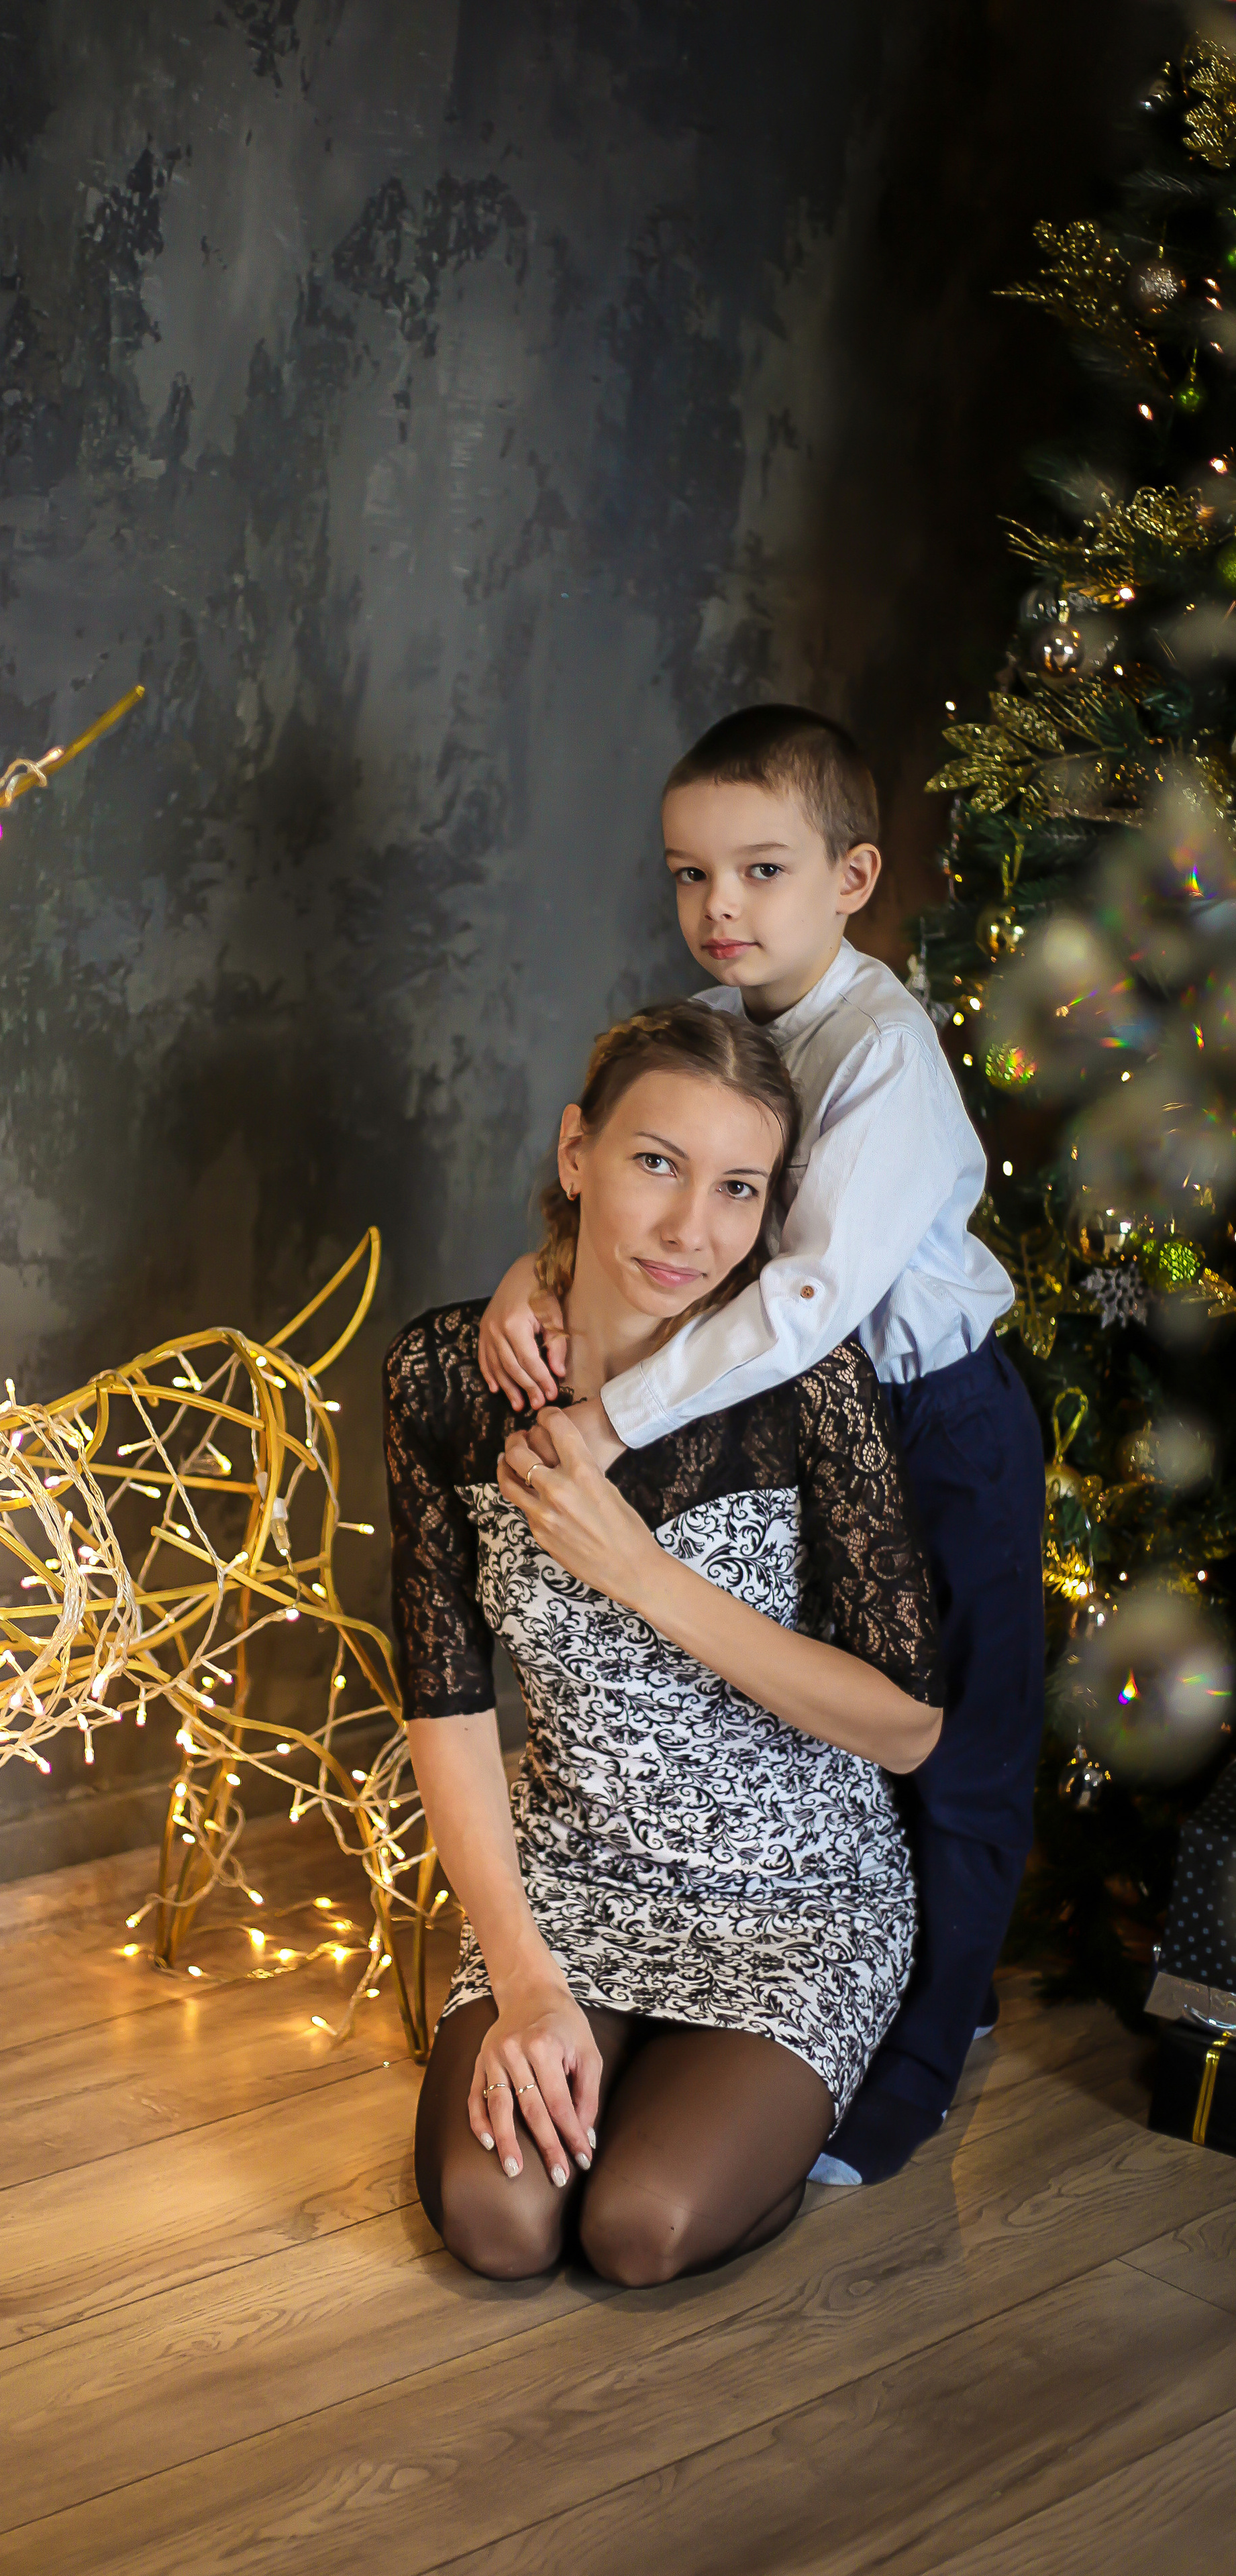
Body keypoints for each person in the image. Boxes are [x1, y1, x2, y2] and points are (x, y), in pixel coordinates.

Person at [477, 704, 1045, 2187]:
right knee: (813, 1706)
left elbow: (795, 1298)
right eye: (686, 875)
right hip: (787, 1415)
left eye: (760, 871)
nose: (717, 908)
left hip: (936, 1417)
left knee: (957, 1748)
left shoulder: (881, 1054)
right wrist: (526, 1277)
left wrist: (602, 1418)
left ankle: (913, 2071)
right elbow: (642, 1178)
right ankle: (790, 2012)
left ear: (852, 878)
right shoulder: (723, 1025)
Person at [386, 1002, 941, 2286]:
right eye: (656, 1163)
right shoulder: (444, 1381)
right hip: (566, 1889)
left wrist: (637, 1573)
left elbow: (908, 1728)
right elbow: (451, 1708)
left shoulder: (804, 1382)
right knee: (499, 2226)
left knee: (640, 2228)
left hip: (794, 1902)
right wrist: (525, 1980)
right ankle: (594, 2041)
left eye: (739, 1187)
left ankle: (746, 2108)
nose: (694, 1229)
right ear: (577, 1152)